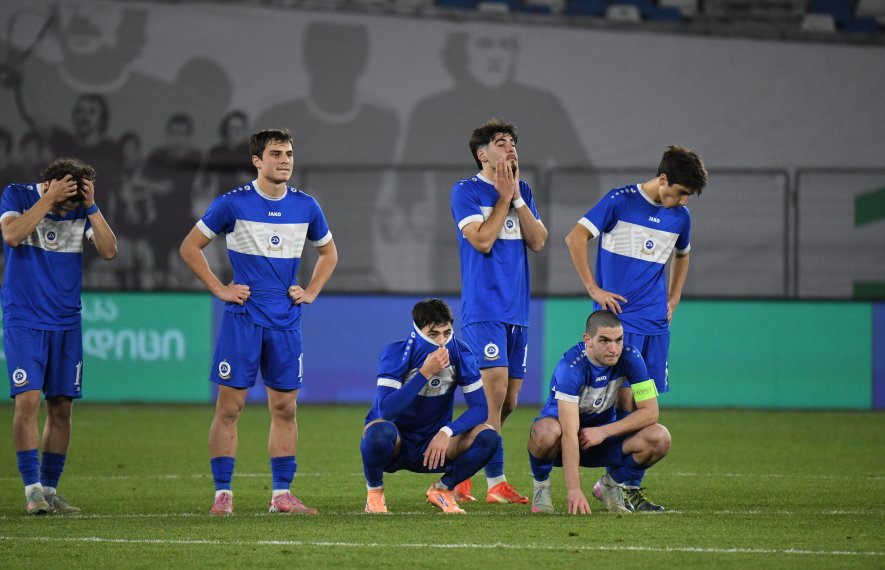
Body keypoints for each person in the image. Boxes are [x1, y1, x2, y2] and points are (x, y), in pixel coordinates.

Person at [179, 128, 337, 516]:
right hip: (244, 320)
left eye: (289, 154)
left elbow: (329, 253)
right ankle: (223, 496)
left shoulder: (306, 206)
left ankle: (281, 496)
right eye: (276, 154)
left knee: (285, 409)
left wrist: (311, 291)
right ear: (257, 160)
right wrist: (220, 288)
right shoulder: (232, 203)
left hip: (285, 322)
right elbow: (190, 247)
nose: (285, 160)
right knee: (229, 409)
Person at [564, 145, 707, 510]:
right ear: (663, 179)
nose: (682, 202)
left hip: (655, 325)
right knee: (623, 400)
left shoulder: (681, 217)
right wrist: (593, 289)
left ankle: (621, 483)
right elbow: (574, 237)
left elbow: (683, 254)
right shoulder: (619, 201)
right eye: (680, 193)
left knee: (645, 403)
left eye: (687, 197)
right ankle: (615, 481)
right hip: (620, 323)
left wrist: (674, 297)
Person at [1, 157, 118, 515]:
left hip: (67, 321)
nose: (67, 212)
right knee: (27, 401)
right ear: (51, 185)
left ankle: (50, 491)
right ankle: (32, 490)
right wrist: (49, 200)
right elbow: (12, 235)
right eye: (64, 204)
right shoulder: (17, 195)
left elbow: (109, 251)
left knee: (62, 407)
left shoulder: (80, 208)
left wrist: (92, 207)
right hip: (25, 318)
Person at [449, 119, 547, 504]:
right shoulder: (466, 191)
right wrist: (504, 198)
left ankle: (463, 465)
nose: (510, 148)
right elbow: (482, 241)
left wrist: (517, 198)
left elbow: (538, 241)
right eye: (500, 142)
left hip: (517, 310)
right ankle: (493, 482)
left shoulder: (523, 191)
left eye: (512, 142)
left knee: (509, 402)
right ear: (482, 154)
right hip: (485, 307)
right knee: (493, 395)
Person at [360, 298, 500, 514]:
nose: (442, 342)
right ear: (418, 331)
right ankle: (375, 495)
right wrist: (425, 372)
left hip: (435, 446)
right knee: (378, 431)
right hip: (396, 444)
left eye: (447, 333)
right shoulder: (396, 353)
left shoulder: (461, 354)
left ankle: (442, 489)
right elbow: (386, 410)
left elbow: (480, 409)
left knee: (489, 437)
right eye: (433, 334)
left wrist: (447, 431)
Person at [527, 310, 671, 515]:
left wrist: (603, 432)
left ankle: (611, 484)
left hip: (602, 439)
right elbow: (569, 433)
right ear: (588, 340)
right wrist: (574, 490)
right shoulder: (570, 367)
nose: (614, 349)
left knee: (660, 437)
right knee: (546, 431)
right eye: (604, 341)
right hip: (563, 443)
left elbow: (651, 412)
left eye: (619, 340)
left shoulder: (631, 357)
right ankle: (541, 486)